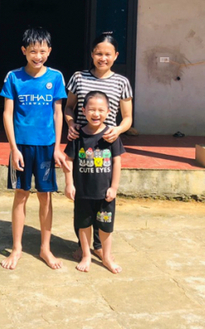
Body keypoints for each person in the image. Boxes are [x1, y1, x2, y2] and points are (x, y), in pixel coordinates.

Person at [0, 27, 69, 270]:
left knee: (45, 197)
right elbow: (7, 115)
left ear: (49, 51)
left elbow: (58, 113)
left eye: (42, 51)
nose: (37, 56)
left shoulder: (56, 77)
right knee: (21, 195)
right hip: (21, 147)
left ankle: (45, 249)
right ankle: (16, 248)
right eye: (32, 51)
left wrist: (58, 148)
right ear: (24, 51)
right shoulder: (13, 77)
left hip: (47, 147)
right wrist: (13, 148)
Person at [64, 32, 133, 260]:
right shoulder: (78, 77)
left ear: (116, 56)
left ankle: (98, 245)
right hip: (82, 142)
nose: (102, 58)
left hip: (106, 143)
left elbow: (127, 117)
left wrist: (118, 130)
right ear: (92, 54)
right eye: (98, 53)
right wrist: (72, 124)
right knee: (82, 198)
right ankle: (83, 245)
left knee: (103, 196)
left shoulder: (122, 82)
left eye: (107, 54)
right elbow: (69, 107)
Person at [64, 90, 123, 274]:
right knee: (83, 224)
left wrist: (114, 187)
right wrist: (69, 184)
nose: (96, 114)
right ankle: (86, 255)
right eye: (91, 109)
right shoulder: (77, 135)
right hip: (82, 193)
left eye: (100, 110)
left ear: (108, 111)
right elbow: (68, 160)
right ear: (83, 110)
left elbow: (117, 162)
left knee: (106, 226)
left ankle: (106, 256)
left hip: (105, 195)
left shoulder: (111, 136)